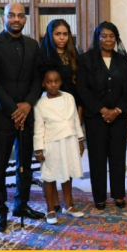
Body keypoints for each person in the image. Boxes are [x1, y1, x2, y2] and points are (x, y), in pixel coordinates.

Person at [0, 2, 45, 233]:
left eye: (20, 16)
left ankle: (21, 204)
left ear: (25, 19)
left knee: (25, 164)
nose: (16, 19)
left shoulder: (33, 45)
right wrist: (14, 109)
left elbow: (38, 79)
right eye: (11, 15)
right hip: (2, 113)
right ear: (4, 17)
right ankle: (0, 210)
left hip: (27, 112)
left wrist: (27, 104)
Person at [76, 21, 127, 210]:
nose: (108, 40)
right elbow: (82, 89)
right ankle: (99, 197)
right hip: (95, 118)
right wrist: (102, 110)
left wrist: (116, 110)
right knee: (97, 158)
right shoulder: (85, 60)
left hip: (119, 118)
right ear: (97, 38)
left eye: (111, 36)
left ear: (116, 39)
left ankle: (118, 195)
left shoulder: (123, 61)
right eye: (104, 36)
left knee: (118, 157)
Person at [34, 64, 86, 223]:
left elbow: (75, 120)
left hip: (69, 141)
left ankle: (68, 205)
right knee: (49, 176)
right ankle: (50, 209)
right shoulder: (40, 103)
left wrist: (80, 140)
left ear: (61, 82)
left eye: (56, 81)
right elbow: (39, 128)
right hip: (52, 144)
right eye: (49, 82)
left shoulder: (69, 97)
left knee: (67, 173)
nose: (53, 85)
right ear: (43, 83)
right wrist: (38, 149)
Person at [40, 19, 82, 115]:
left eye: (65, 34)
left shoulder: (74, 56)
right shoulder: (43, 57)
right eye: (57, 34)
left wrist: (80, 108)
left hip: (71, 105)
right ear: (50, 35)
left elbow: (80, 84)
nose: (62, 38)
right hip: (49, 107)